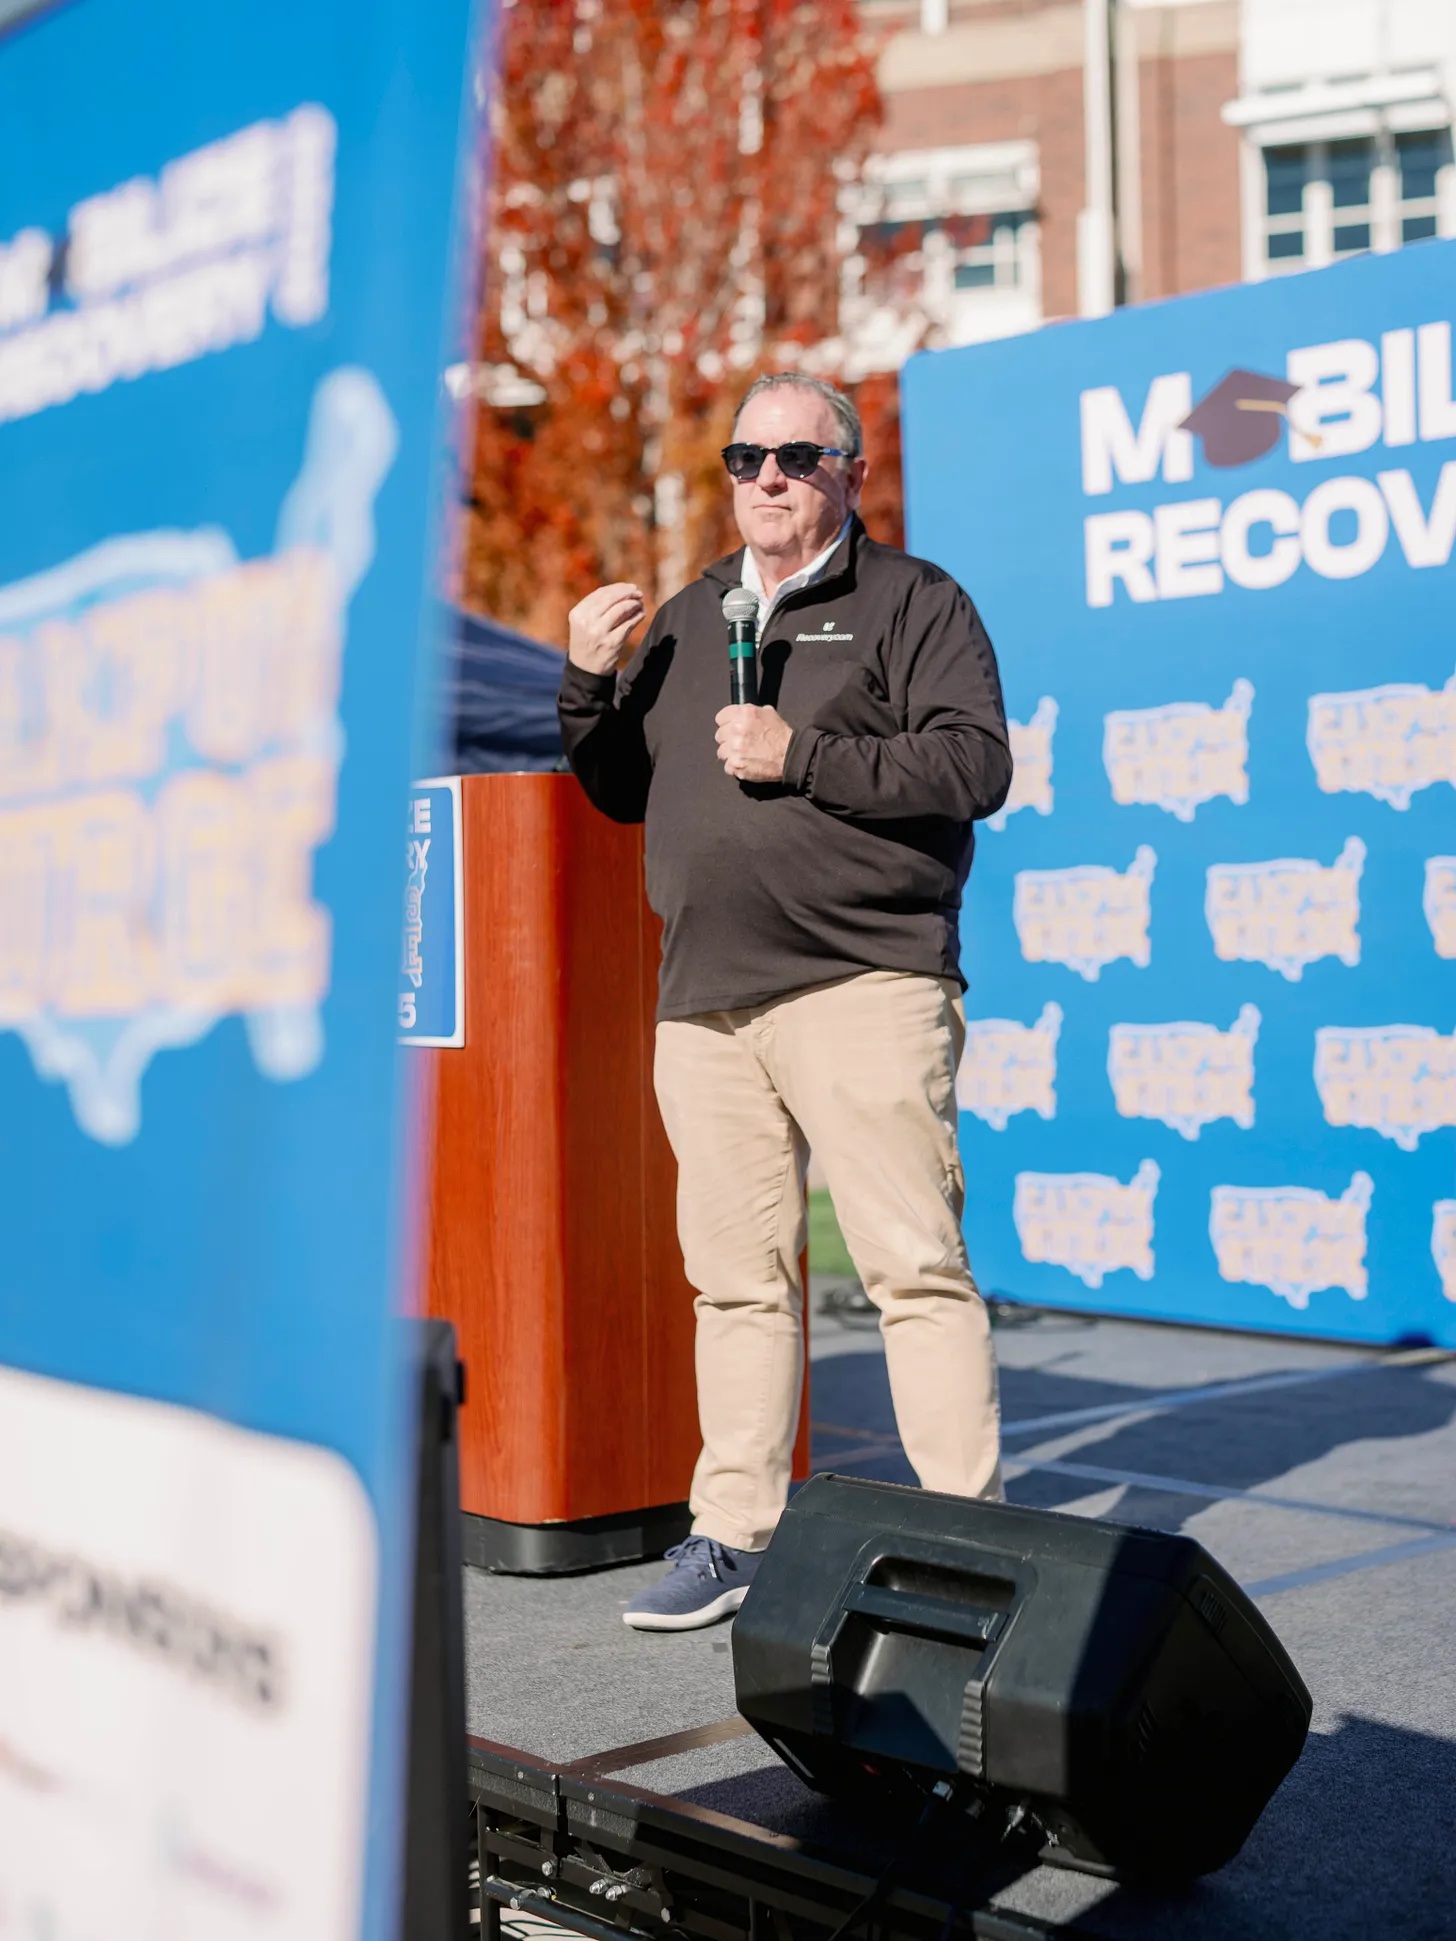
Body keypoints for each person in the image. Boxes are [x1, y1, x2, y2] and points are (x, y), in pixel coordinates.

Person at [558, 372, 1011, 1632]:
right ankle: (731, 1533)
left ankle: (964, 1541)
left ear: (848, 474)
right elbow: (616, 787)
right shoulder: (693, 613)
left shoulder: (913, 601)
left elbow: (975, 765)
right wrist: (588, 682)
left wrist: (798, 752)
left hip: (864, 980)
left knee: (911, 1268)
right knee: (739, 1284)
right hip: (706, 1000)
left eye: (795, 457)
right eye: (744, 456)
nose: (765, 477)